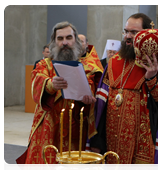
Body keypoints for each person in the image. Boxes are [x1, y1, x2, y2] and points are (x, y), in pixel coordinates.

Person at [90, 13, 158, 170]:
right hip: (112, 139)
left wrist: (151, 78)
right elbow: (102, 105)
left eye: (134, 33)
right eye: (126, 31)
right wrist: (97, 140)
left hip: (142, 143)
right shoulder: (114, 62)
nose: (128, 37)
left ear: (147, 35)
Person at [16, 21, 103, 169]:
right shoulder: (44, 65)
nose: (65, 43)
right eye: (60, 39)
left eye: (69, 38)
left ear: (75, 40)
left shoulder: (89, 66)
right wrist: (50, 85)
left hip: (76, 130)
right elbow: (36, 85)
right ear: (54, 42)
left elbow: (94, 89)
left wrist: (89, 98)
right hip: (48, 130)